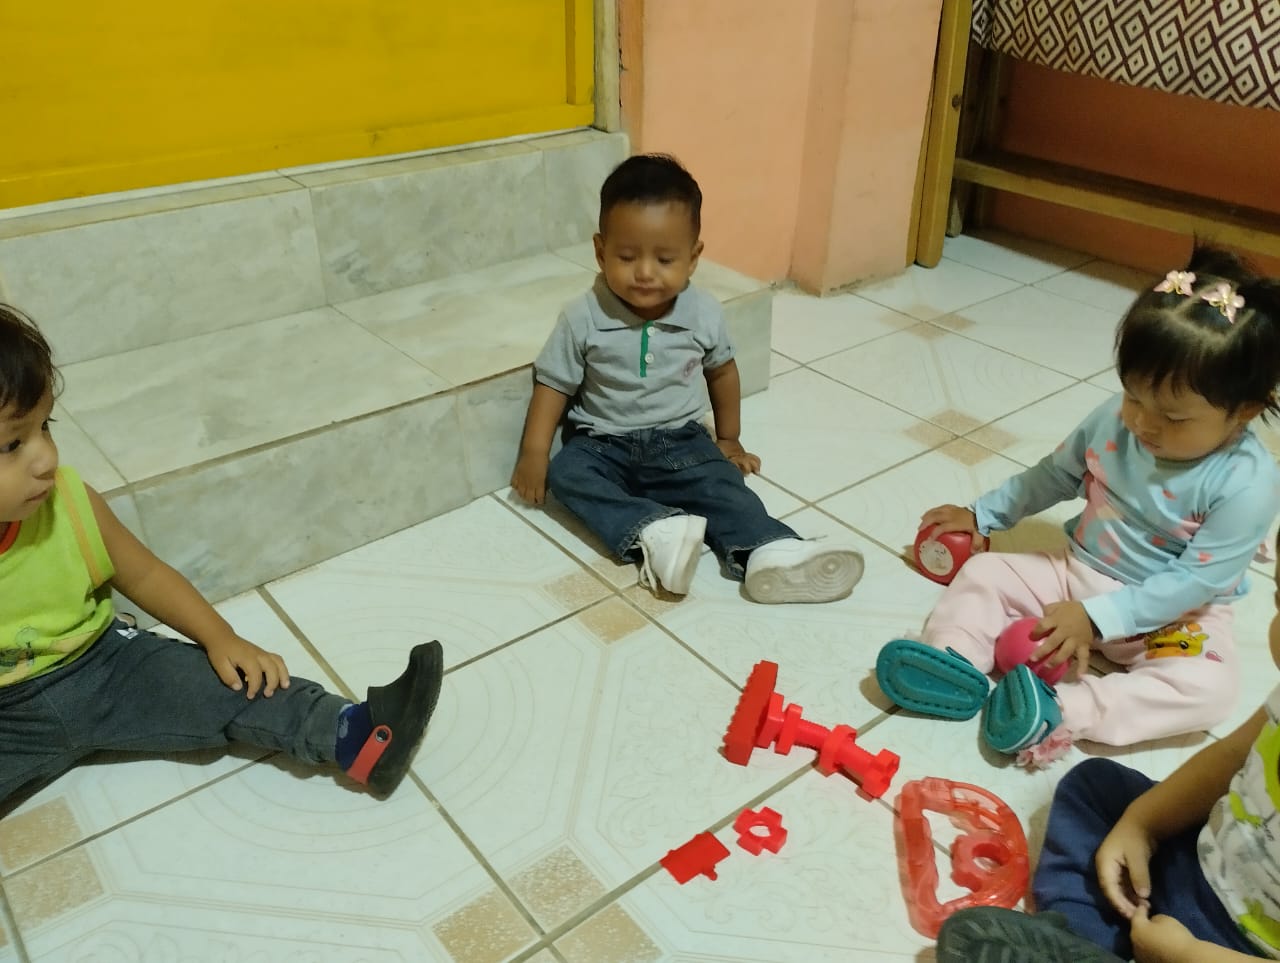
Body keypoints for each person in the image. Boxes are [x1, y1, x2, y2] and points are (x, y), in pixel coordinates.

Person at [0, 304, 442, 806]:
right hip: (8, 715)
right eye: (12, 444)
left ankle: (356, 735)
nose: (45, 458)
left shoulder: (71, 503)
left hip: (107, 664)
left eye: (46, 427)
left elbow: (146, 575)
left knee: (239, 685)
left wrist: (219, 637)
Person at [877, 245, 1280, 764]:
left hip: (1175, 617)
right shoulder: (1115, 420)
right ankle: (952, 659)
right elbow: (1055, 474)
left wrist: (1096, 618)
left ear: (1243, 411)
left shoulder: (1248, 484)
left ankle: (1062, 710)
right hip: (1076, 572)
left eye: (1174, 417)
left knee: (1210, 690)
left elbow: (1195, 582)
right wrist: (983, 515)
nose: (1143, 423)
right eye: (1134, 396)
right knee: (985, 573)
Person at [511, 153, 862, 603]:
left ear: (693, 258)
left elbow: (722, 371)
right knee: (568, 473)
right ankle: (657, 532)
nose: (644, 272)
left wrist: (729, 439)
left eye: (664, 258)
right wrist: (535, 452)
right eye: (626, 256)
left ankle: (770, 551)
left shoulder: (702, 313)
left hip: (679, 440)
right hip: (602, 443)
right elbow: (554, 384)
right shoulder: (583, 316)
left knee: (722, 486)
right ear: (600, 252)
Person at [934, 534, 1280, 962]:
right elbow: (1231, 758)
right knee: (1094, 786)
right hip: (1201, 856)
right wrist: (1143, 824)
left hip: (1234, 948)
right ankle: (1079, 943)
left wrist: (1188, 955)